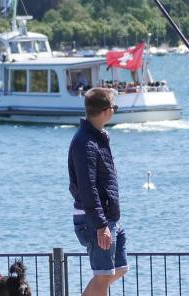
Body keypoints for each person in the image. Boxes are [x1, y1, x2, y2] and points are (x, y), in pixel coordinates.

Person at [68, 87, 127, 296]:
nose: (115, 110)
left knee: (119, 269)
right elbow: (87, 188)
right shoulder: (85, 142)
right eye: (115, 107)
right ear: (105, 110)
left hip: (109, 217)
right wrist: (102, 225)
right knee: (102, 276)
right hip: (94, 220)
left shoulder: (98, 137)